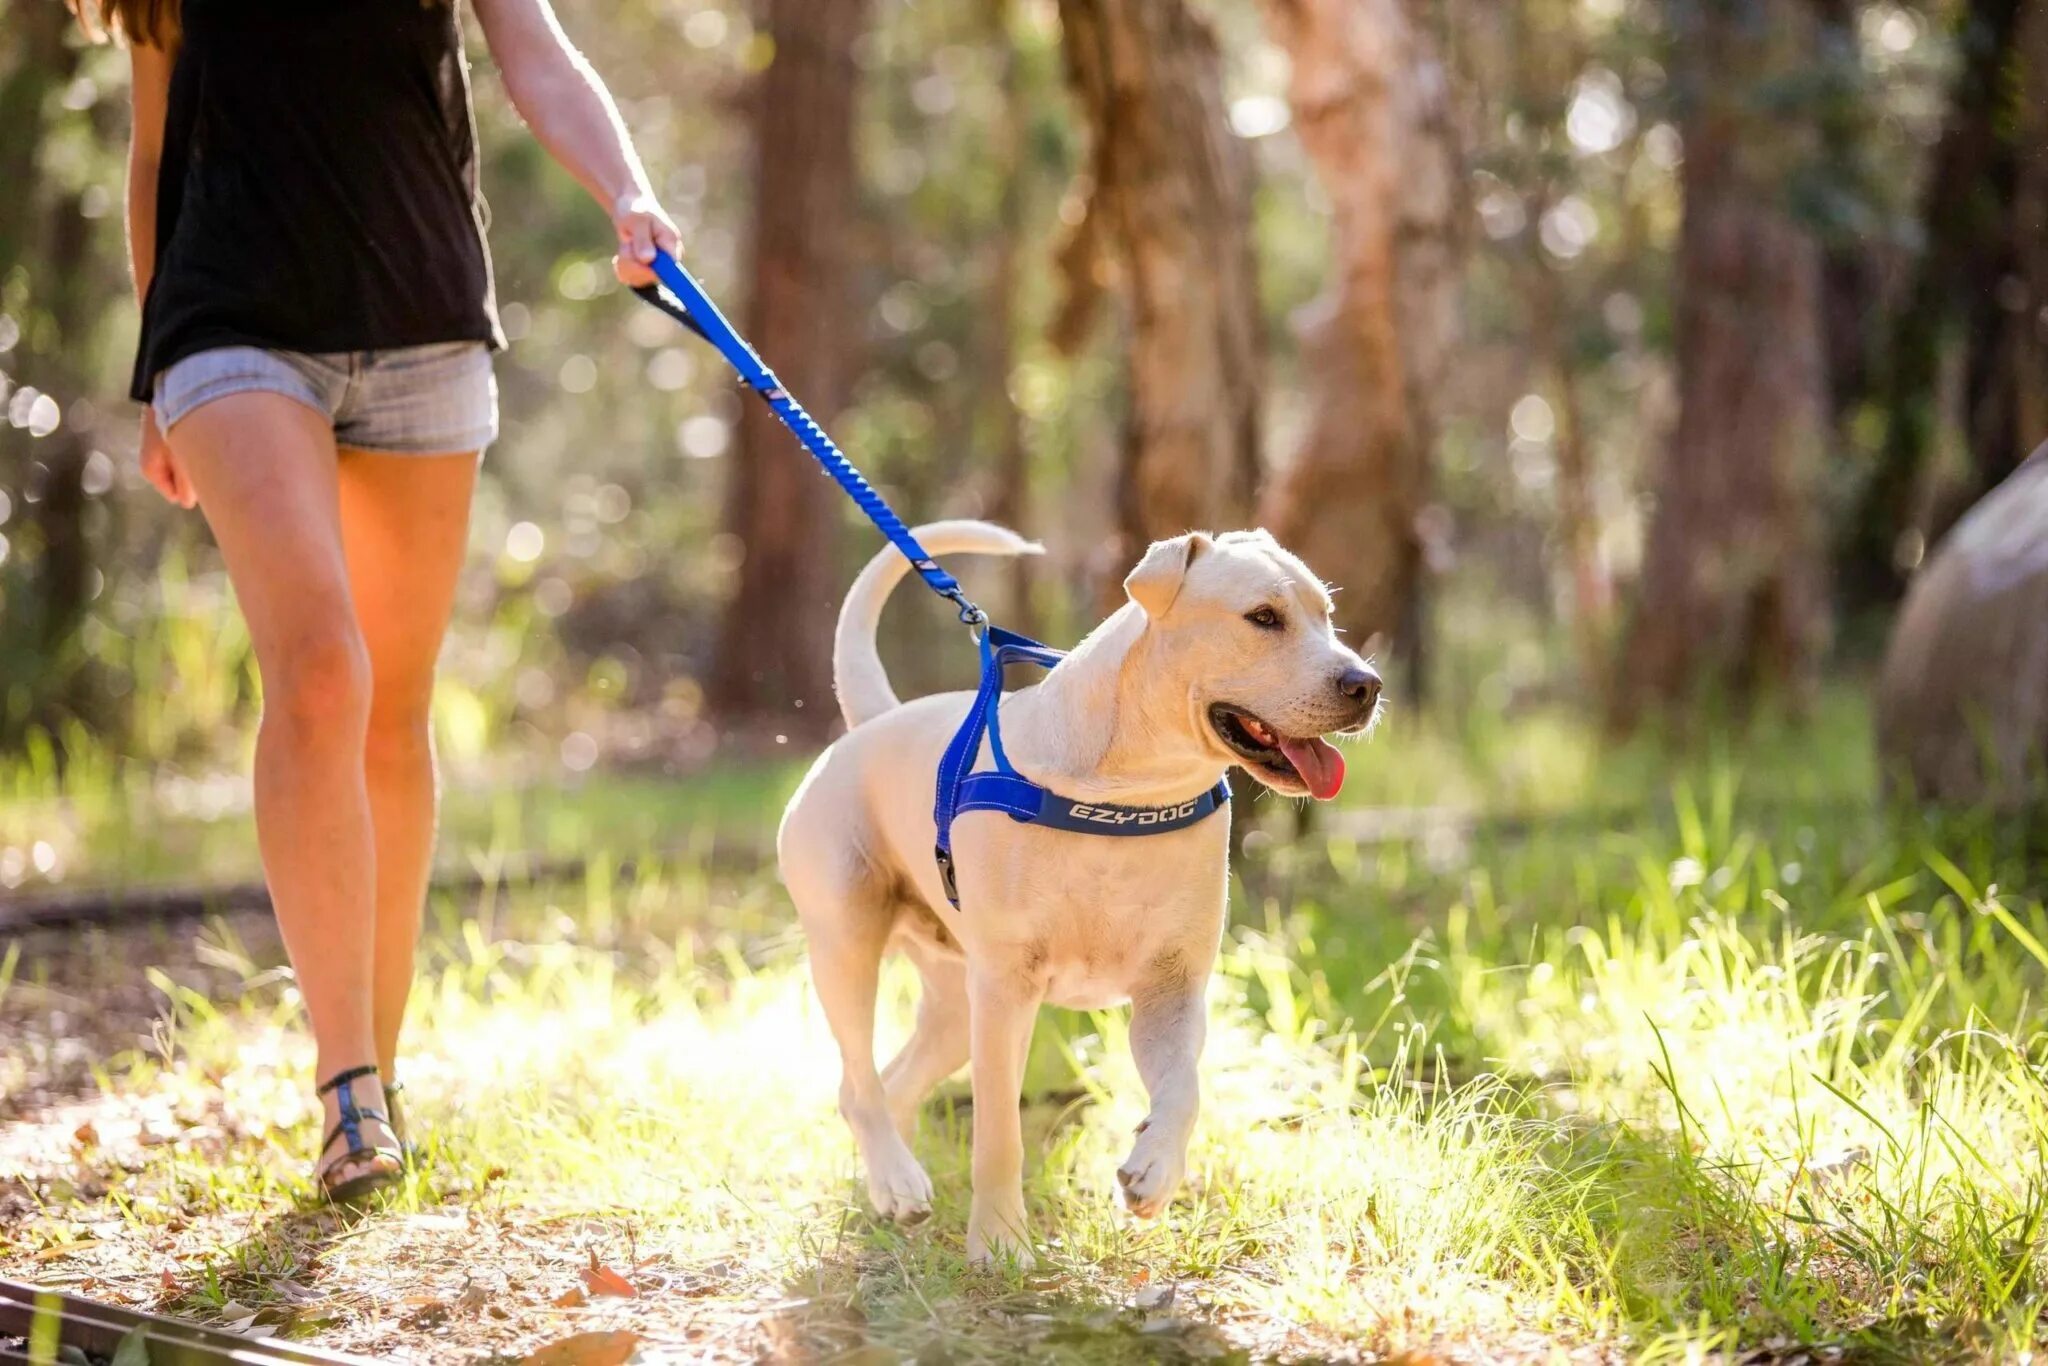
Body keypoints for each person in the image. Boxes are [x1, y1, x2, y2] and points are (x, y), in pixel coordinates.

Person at [74, 0, 680, 1203]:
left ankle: (379, 1076)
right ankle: (345, 1085)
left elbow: (538, 57)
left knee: (391, 712)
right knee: (319, 669)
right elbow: (152, 150)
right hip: (232, 325)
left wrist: (629, 190)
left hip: (421, 320)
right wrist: (156, 366)